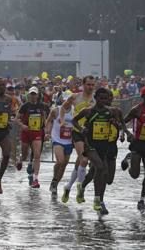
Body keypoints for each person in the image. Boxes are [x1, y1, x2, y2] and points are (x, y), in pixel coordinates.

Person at [72, 88, 114, 214]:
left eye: (106, 98)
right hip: (90, 145)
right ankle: (98, 201)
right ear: (96, 98)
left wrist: (123, 131)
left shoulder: (111, 112)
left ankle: (82, 187)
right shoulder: (88, 111)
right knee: (101, 168)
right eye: (101, 98)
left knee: (99, 173)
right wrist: (81, 129)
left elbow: (121, 123)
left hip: (104, 147)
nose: (104, 101)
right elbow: (74, 120)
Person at [60, 75, 95, 203]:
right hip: (77, 132)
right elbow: (63, 108)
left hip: (91, 134)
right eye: (88, 85)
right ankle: (81, 189)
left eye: (92, 85)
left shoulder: (96, 99)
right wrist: (63, 121)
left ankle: (68, 187)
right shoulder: (75, 97)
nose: (90, 87)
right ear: (83, 85)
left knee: (79, 163)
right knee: (84, 160)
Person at [16, 86, 48, 188]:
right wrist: (22, 125)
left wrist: (46, 132)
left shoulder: (42, 106)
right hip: (26, 132)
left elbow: (46, 120)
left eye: (35, 94)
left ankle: (35, 179)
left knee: (37, 155)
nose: (33, 96)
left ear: (38, 95)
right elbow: (17, 119)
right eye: (31, 94)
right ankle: (21, 159)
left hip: (37, 132)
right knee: (25, 154)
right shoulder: (25, 106)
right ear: (29, 95)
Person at [44, 98, 73, 195]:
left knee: (64, 164)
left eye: (70, 101)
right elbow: (48, 121)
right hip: (57, 139)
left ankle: (55, 183)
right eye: (66, 100)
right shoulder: (56, 110)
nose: (67, 102)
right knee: (60, 161)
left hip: (69, 140)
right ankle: (54, 179)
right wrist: (47, 132)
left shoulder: (75, 111)